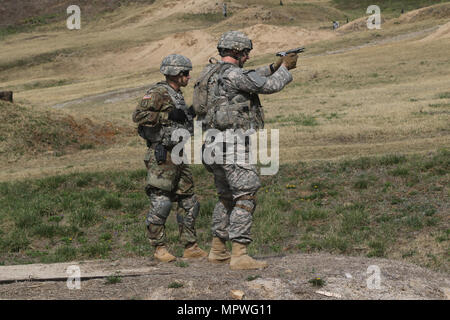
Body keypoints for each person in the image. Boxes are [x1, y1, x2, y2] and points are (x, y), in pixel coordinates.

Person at [194, 31, 298, 270]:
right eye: (246, 52)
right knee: (246, 195)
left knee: (226, 197)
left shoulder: (209, 73)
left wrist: (273, 65)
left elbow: (251, 76)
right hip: (233, 146)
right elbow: (268, 86)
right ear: (237, 52)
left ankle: (218, 249)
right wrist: (286, 69)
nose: (248, 56)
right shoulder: (233, 75)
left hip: (211, 145)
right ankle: (240, 254)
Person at [132, 54, 207, 263]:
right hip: (162, 155)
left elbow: (182, 120)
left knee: (189, 201)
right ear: (174, 73)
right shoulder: (157, 93)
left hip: (179, 154)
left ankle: (190, 246)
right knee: (161, 202)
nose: (188, 76)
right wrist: (167, 116)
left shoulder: (177, 95)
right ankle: (159, 247)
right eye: (185, 73)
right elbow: (137, 116)